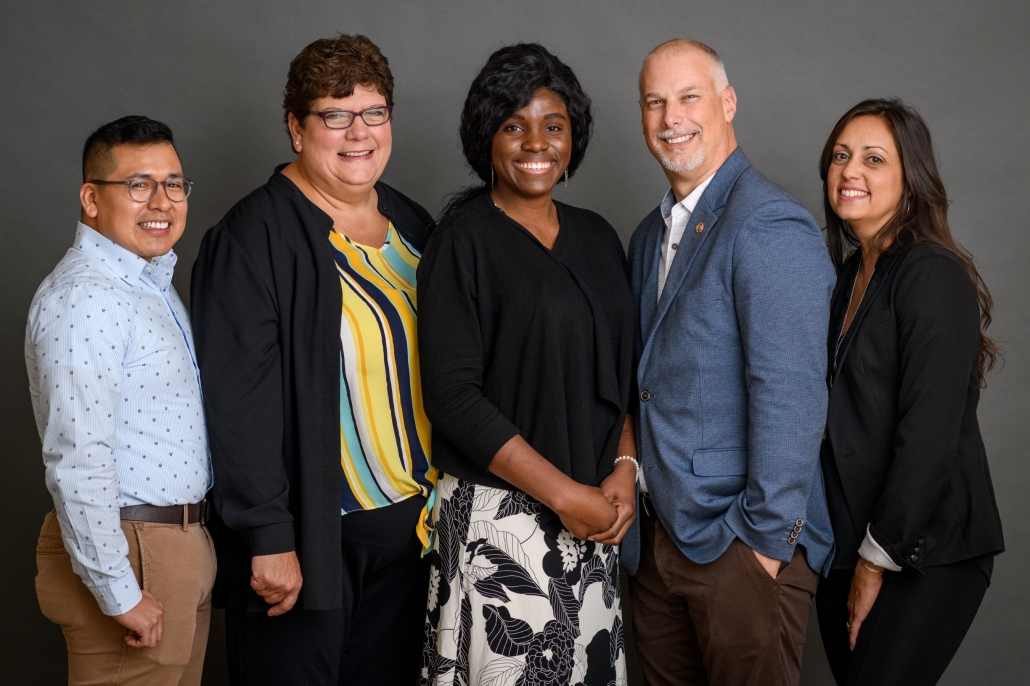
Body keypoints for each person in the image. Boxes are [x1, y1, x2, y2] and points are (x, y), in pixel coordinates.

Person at [190, 34, 436, 686]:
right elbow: (236, 401)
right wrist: (269, 535)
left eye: (374, 112)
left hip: (412, 538)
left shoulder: (413, 227)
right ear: (297, 128)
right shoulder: (253, 238)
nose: (359, 132)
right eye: (335, 114)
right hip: (307, 545)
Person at [417, 43, 637, 686]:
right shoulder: (462, 242)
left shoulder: (599, 237)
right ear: (486, 137)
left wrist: (623, 470)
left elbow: (620, 377)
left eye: (553, 126)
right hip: (499, 528)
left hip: (597, 521)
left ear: (574, 139)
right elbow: (454, 399)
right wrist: (566, 495)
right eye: (514, 125)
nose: (535, 142)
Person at [621, 38, 837, 686]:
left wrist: (762, 548)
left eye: (689, 97)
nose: (670, 118)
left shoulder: (767, 223)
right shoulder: (648, 235)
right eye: (654, 102)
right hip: (659, 549)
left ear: (727, 102)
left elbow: (791, 395)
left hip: (739, 547)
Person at [815, 98, 1005, 686]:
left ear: (910, 179)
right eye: (841, 156)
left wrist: (876, 561)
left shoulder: (930, 272)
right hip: (848, 547)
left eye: (874, 159)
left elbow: (929, 432)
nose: (851, 172)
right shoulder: (848, 276)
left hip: (924, 550)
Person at [25, 115, 214, 685]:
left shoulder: (145, 283)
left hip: (173, 549)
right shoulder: (87, 297)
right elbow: (77, 457)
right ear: (91, 198)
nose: (161, 200)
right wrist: (118, 590)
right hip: (133, 552)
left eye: (173, 183)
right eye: (138, 184)